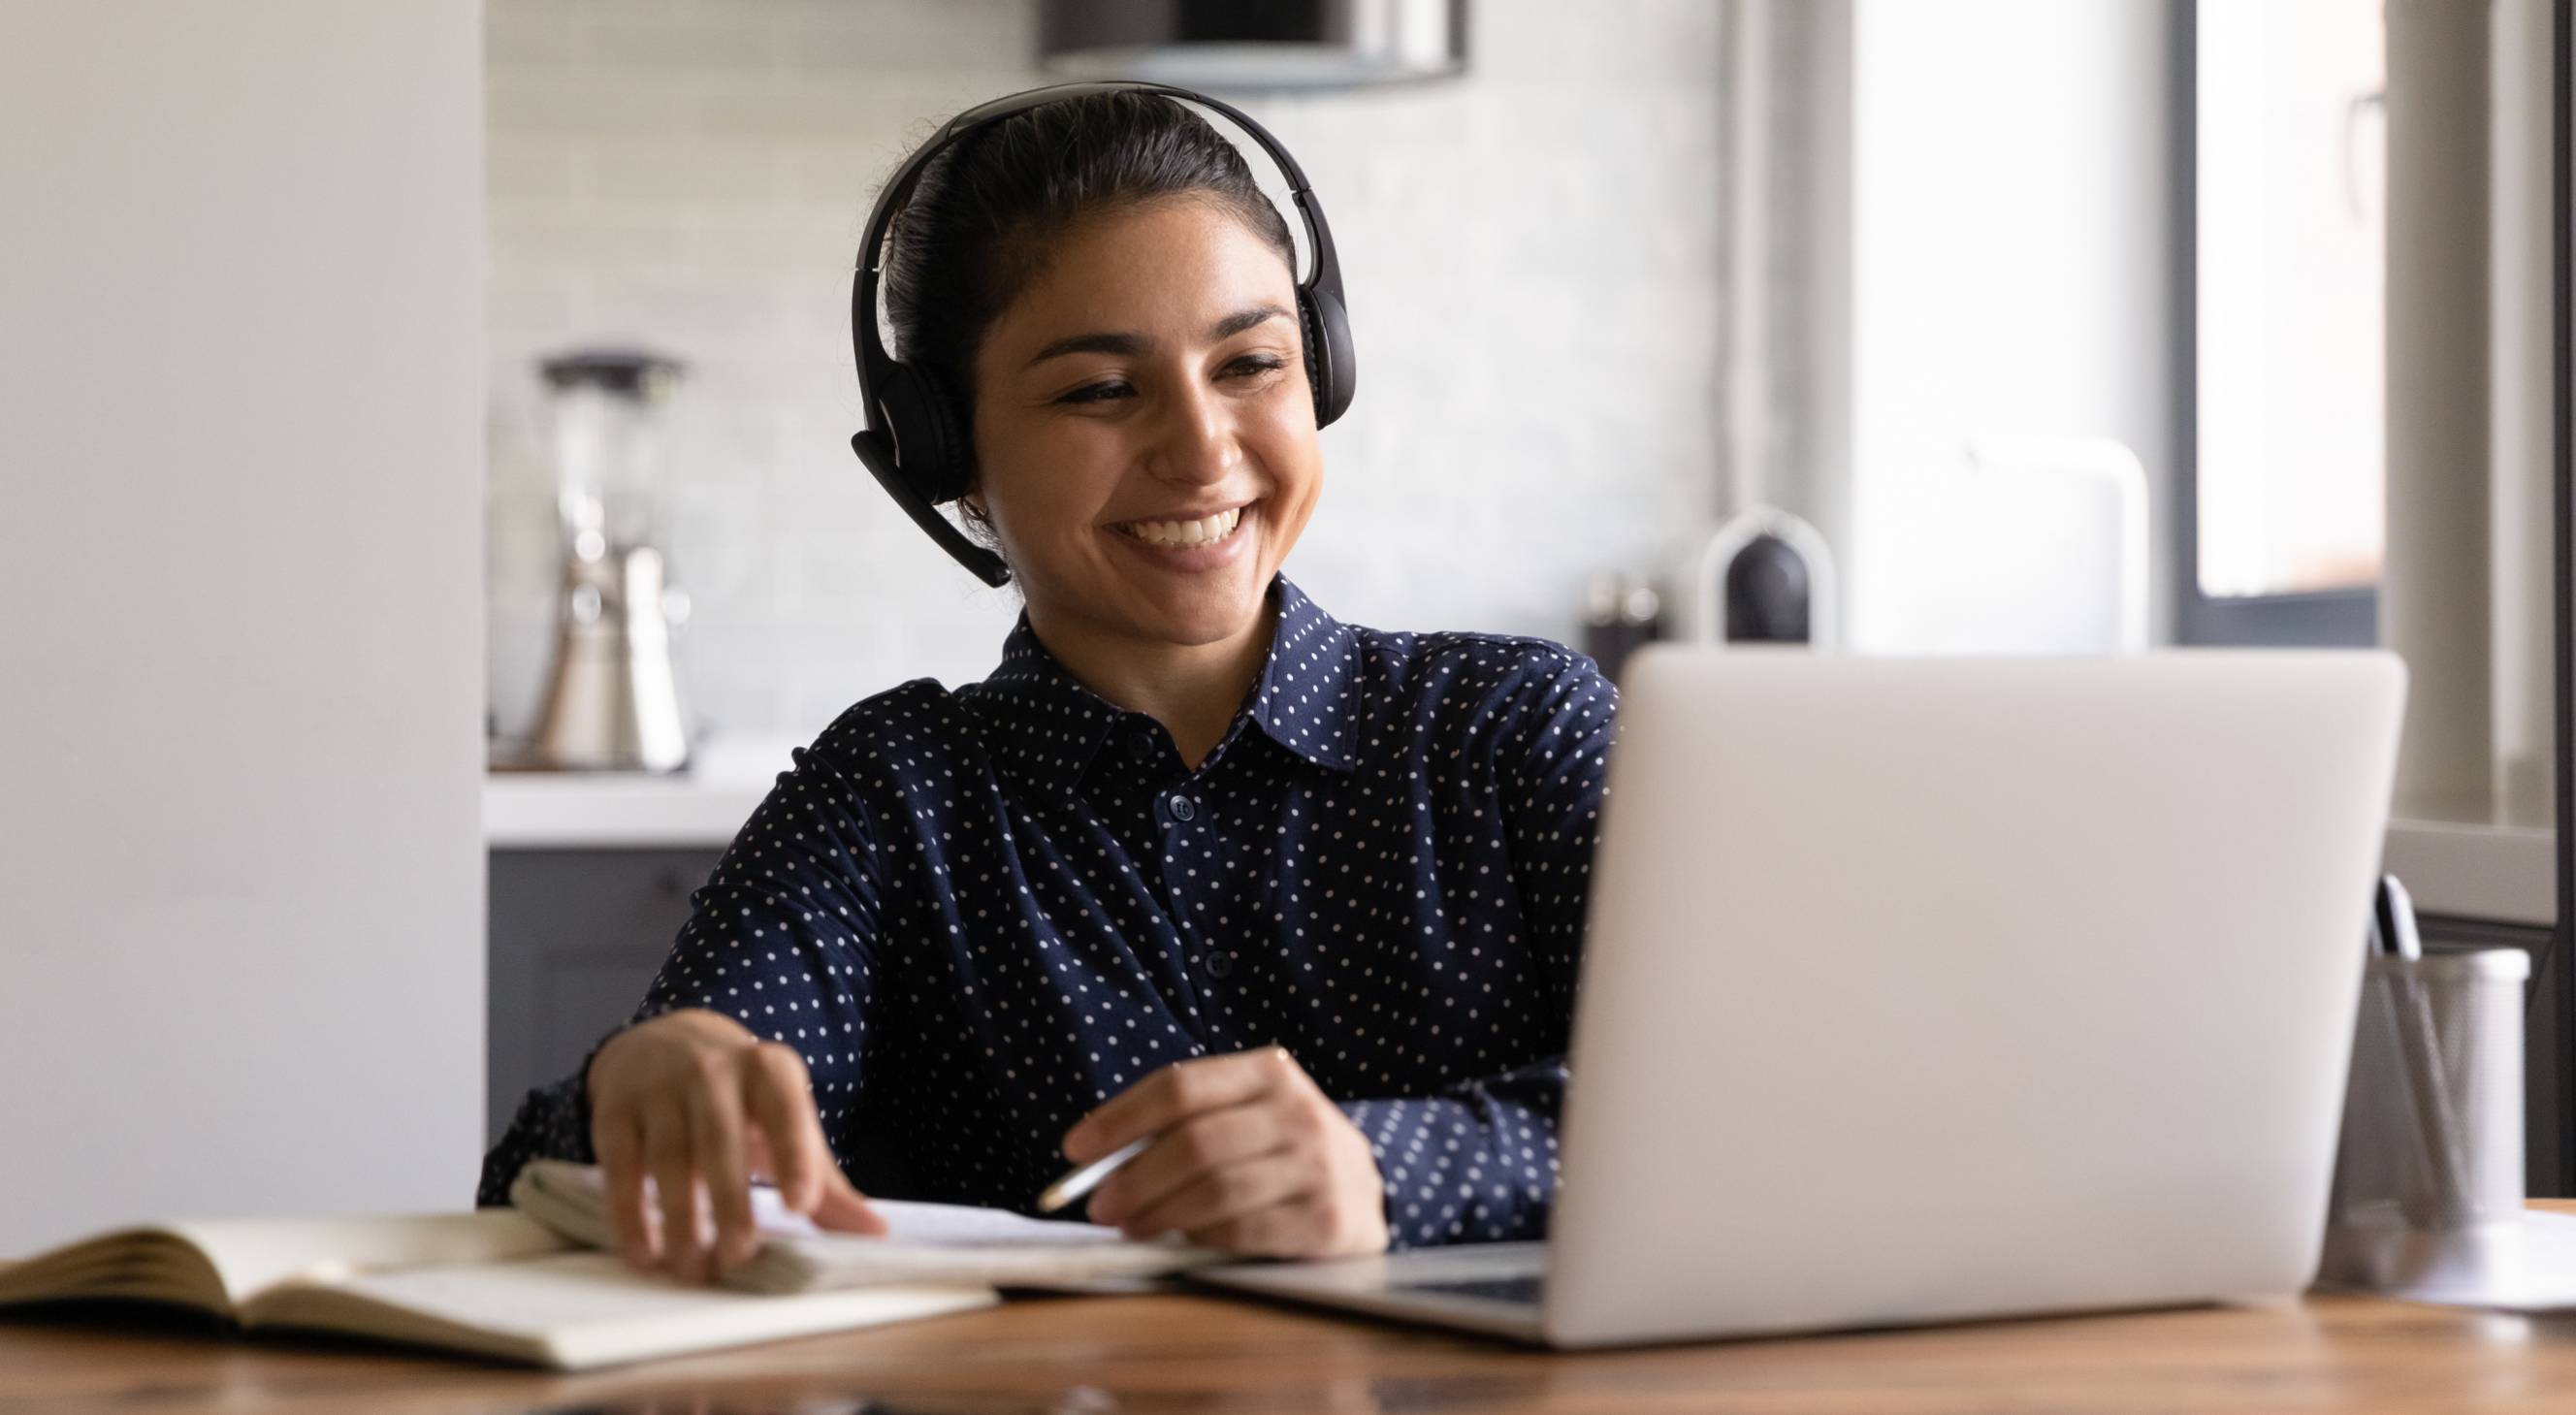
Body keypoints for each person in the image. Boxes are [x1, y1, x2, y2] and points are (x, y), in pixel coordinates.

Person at [478, 87, 1619, 1284]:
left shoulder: (1513, 729)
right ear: (948, 457)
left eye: (1251, 363)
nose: (1201, 449)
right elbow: (544, 1183)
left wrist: (1389, 1167)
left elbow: (1761, 1103)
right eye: (1099, 390)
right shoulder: (893, 798)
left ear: (1320, 370)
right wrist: (642, 1084)